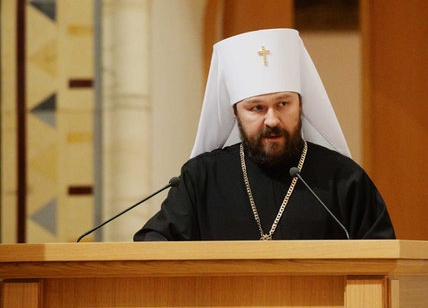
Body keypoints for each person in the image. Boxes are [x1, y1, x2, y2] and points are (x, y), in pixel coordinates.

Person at [134, 29, 394, 241]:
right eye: (257, 108)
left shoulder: (344, 179)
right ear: (235, 113)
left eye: (283, 104)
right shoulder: (201, 179)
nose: (272, 120)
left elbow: (381, 256)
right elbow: (154, 245)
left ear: (301, 105)